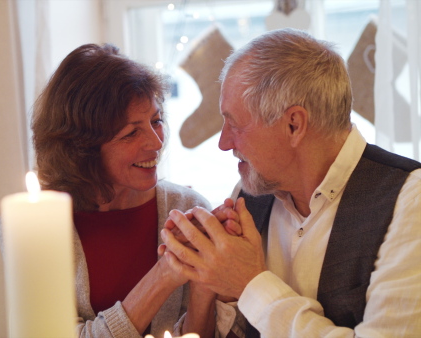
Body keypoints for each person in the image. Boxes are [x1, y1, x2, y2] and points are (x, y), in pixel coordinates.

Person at [161, 28, 421, 337]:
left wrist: (251, 284)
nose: (223, 142)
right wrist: (208, 275)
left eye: (235, 123)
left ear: (294, 124)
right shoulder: (249, 195)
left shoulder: (409, 200)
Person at [31, 43, 216, 338]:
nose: (156, 142)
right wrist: (164, 275)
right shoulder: (33, 224)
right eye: (132, 133)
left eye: (156, 121)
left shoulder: (188, 207)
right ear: (83, 149)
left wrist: (207, 282)